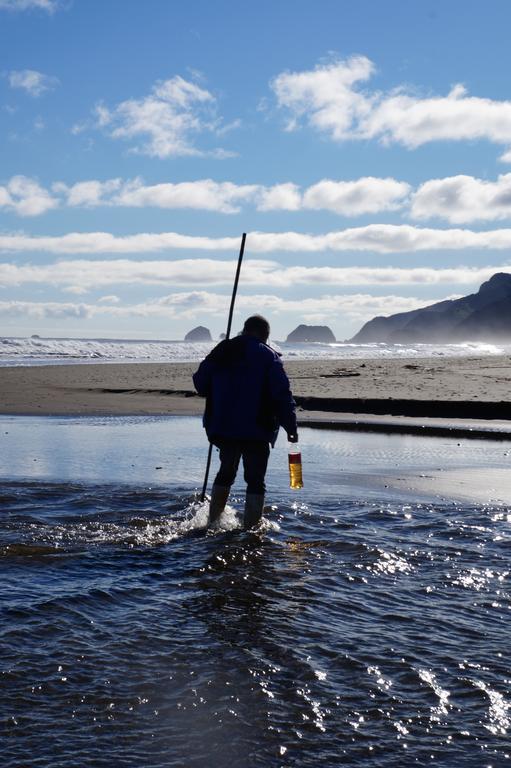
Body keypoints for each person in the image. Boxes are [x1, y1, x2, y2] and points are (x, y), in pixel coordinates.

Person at [193, 314, 298, 528]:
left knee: (226, 471)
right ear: (265, 334)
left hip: (223, 426)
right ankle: (252, 528)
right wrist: (291, 426)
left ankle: (213, 522)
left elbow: (200, 383)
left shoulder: (223, 350)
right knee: (255, 479)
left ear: (245, 330)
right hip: (257, 428)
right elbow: (282, 396)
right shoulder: (269, 357)